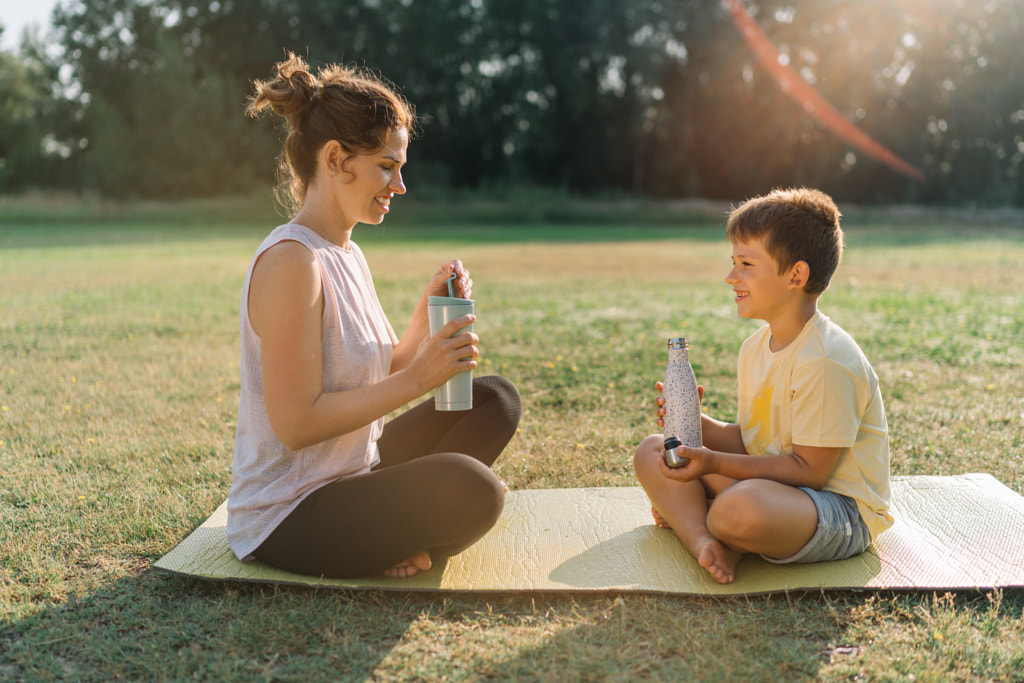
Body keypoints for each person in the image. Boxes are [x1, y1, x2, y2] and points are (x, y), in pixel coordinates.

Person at [226, 53, 521, 579]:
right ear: (337, 159)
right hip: (290, 513)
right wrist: (416, 380)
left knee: (494, 399)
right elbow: (295, 425)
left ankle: (399, 536)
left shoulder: (347, 251)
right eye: (388, 166)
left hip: (352, 472)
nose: (399, 185)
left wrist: (425, 319)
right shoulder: (293, 262)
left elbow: (376, 370)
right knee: (475, 491)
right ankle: (400, 537)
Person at [634, 187, 891, 585]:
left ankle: (709, 518)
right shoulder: (754, 348)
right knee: (654, 450)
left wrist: (713, 464)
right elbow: (757, 441)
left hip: (838, 512)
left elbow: (810, 472)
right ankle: (704, 538)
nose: (730, 276)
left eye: (746, 264)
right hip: (773, 488)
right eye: (733, 262)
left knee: (738, 509)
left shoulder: (824, 358)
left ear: (796, 275)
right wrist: (698, 427)